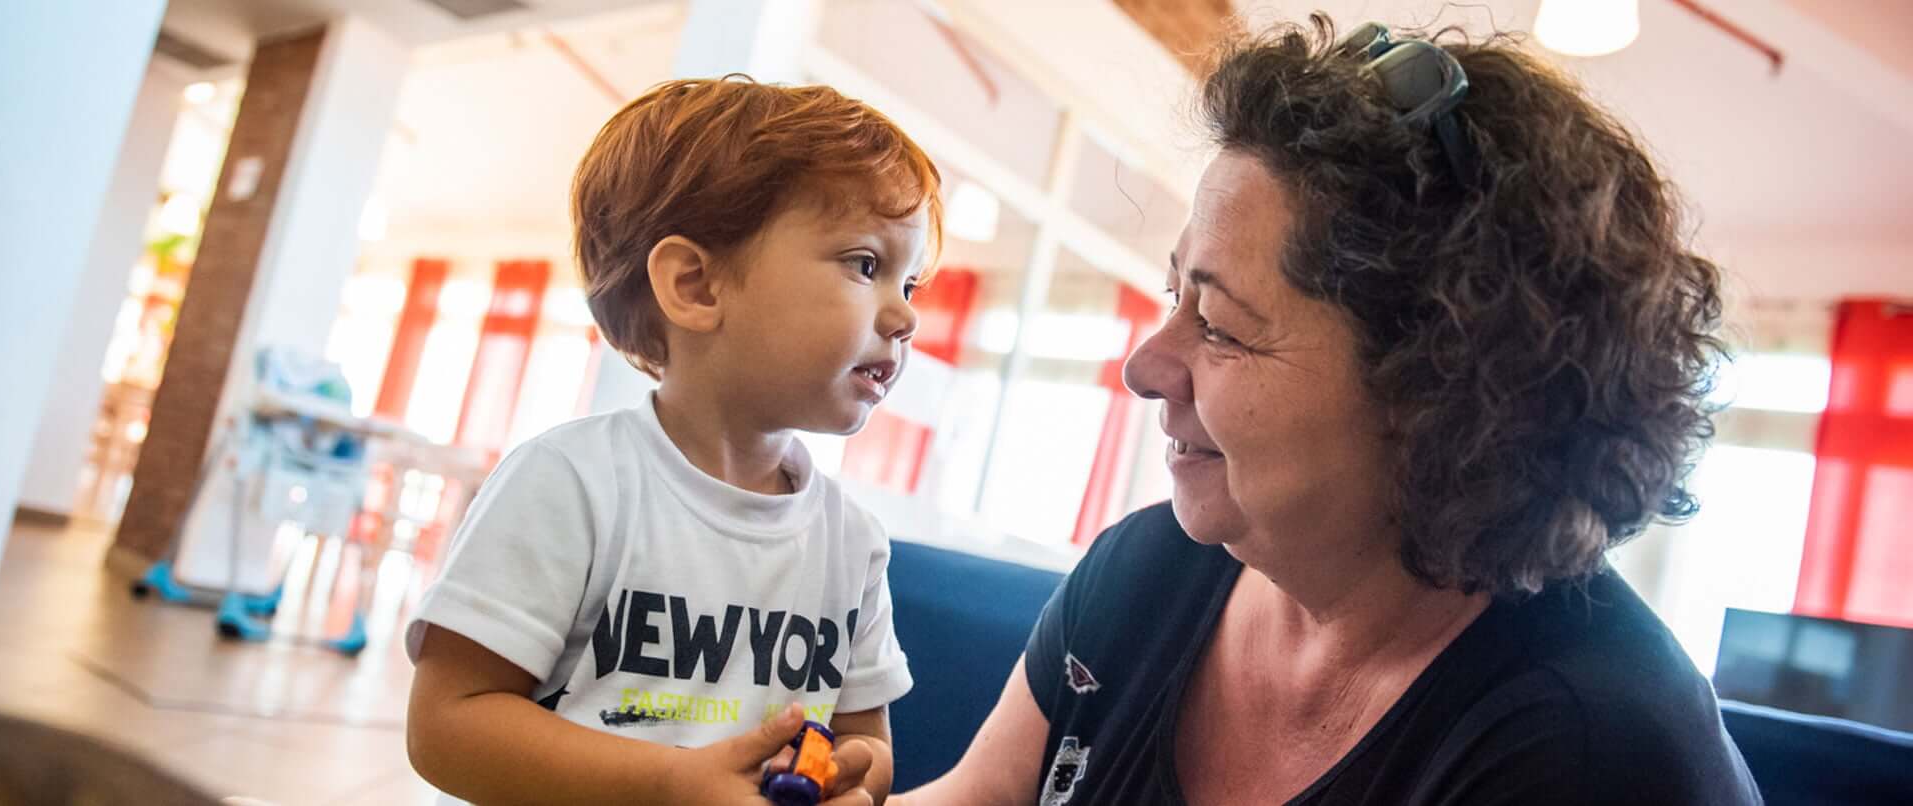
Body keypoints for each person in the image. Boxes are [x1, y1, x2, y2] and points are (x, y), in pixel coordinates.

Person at [900, 16, 1761, 806]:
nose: (1145, 364)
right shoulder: (1150, 571)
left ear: (1437, 394)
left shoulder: (1585, 755)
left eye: (1224, 327)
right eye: (1174, 293)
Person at [405, 76, 942, 806]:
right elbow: (446, 726)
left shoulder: (852, 541)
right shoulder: (571, 482)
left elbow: (868, 741)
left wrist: (849, 778)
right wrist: (668, 783)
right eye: (867, 265)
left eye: (910, 285)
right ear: (695, 286)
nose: (905, 318)